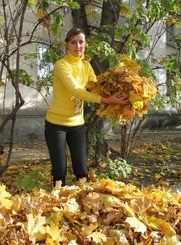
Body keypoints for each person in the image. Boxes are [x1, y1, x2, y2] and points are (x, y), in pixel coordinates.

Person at [45, 27, 128, 187]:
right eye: (73, 42)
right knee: (59, 171)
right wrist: (106, 100)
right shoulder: (61, 65)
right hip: (56, 124)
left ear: (85, 44)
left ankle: (82, 203)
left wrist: (121, 90)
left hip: (77, 124)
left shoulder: (86, 66)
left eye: (81, 42)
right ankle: (57, 205)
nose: (78, 46)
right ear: (67, 45)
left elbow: (98, 87)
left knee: (82, 169)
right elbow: (75, 90)